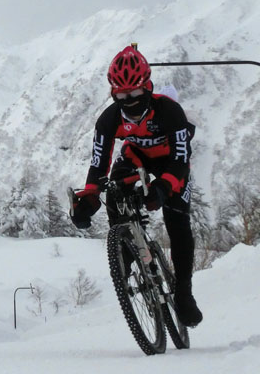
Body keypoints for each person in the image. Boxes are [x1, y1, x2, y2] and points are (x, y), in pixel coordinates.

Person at [69, 44, 203, 327]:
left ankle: (184, 292)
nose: (128, 101)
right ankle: (130, 248)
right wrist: (89, 200)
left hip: (171, 164)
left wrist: (163, 189)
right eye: (121, 96)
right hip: (136, 158)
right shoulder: (108, 120)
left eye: (135, 94)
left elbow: (181, 160)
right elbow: (98, 165)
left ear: (148, 87)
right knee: (116, 188)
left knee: (178, 222)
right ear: (112, 93)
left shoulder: (170, 111)